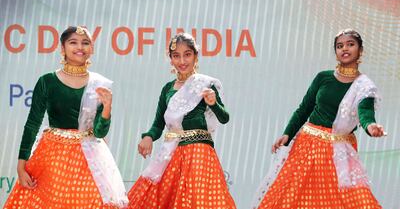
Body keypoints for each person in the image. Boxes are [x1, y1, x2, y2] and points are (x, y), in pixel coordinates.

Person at [253, 29, 385, 209]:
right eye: (340, 46)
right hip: (308, 146)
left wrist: (371, 127)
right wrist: (287, 134)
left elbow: (365, 112)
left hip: (339, 151)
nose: (344, 49)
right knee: (296, 196)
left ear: (360, 50)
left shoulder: (364, 87)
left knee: (354, 199)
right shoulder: (323, 77)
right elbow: (304, 108)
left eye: (350, 44)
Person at [4, 26, 128, 208]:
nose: (80, 47)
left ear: (91, 49)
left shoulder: (99, 84)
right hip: (53, 158)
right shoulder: (47, 81)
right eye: (73, 42)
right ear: (62, 48)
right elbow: (32, 124)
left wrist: (107, 107)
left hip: (89, 158)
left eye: (85, 43)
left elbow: (100, 133)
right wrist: (21, 166)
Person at [127, 33, 236, 209]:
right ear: (170, 59)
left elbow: (224, 118)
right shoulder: (167, 89)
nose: (182, 60)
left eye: (187, 54)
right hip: (173, 154)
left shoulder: (205, 84)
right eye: (176, 56)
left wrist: (214, 104)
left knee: (198, 202)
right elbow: (158, 124)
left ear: (196, 56)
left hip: (200, 154)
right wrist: (148, 137)